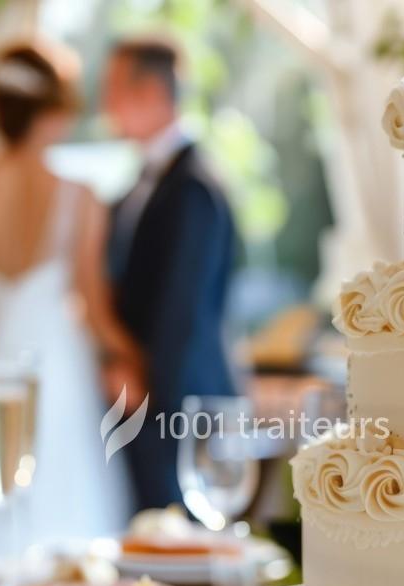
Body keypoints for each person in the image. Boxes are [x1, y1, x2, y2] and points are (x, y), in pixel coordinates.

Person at [0, 43, 137, 540]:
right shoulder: (78, 197)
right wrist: (132, 357)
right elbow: (92, 306)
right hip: (53, 368)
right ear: (53, 112)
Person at [102, 36, 239, 510]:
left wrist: (145, 387)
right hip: (145, 401)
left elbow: (184, 312)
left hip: (178, 406)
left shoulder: (194, 188)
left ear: (153, 92)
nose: (105, 103)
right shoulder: (140, 184)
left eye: (114, 87)